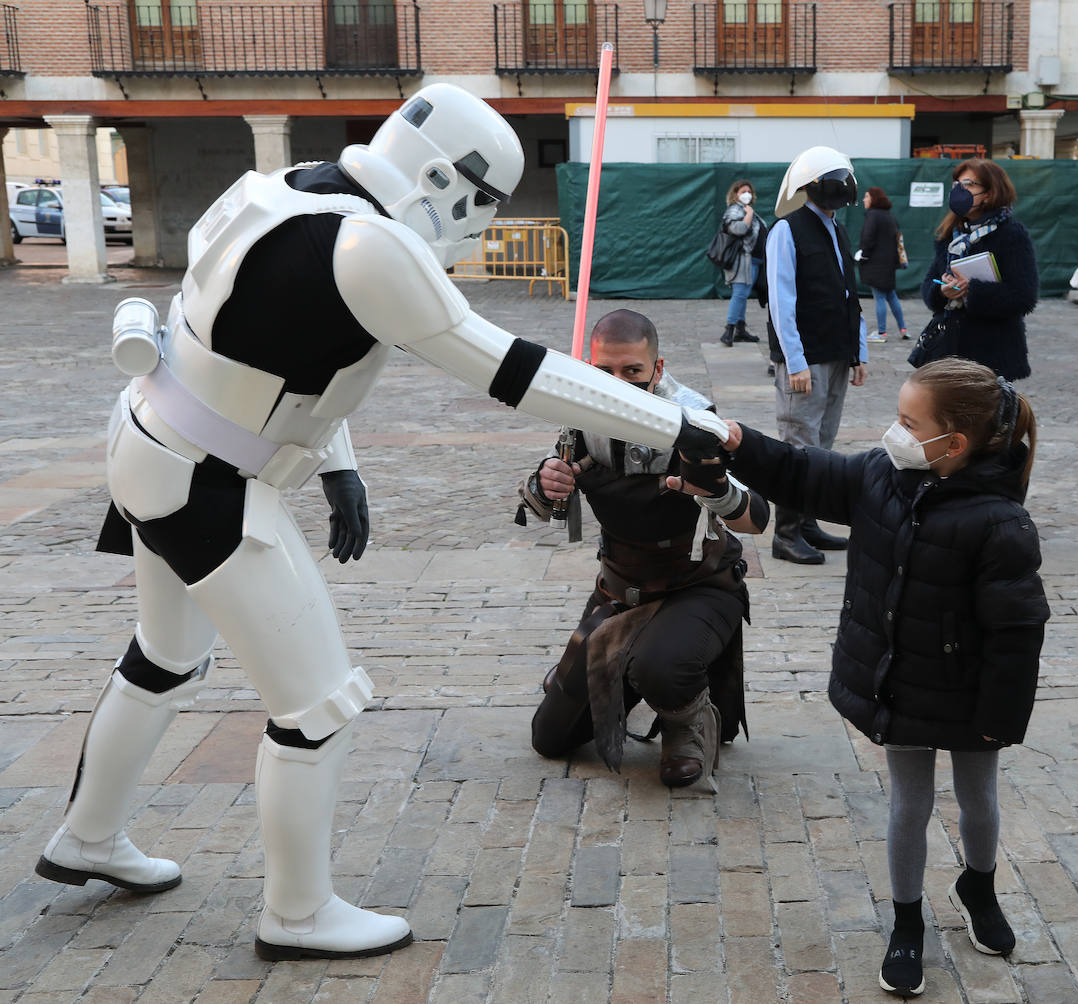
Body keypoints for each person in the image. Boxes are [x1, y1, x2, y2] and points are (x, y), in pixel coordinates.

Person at [33, 84, 730, 962]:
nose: (479, 228)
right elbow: (507, 369)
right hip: (205, 479)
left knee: (164, 658)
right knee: (315, 704)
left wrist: (339, 461)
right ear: (448, 182)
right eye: (483, 207)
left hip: (148, 441)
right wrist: (678, 424)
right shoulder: (372, 245)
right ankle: (297, 912)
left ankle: (87, 838)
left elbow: (279, 339)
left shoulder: (293, 184)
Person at [679, 358, 1048, 998]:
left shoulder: (1000, 524)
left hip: (970, 697)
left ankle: (978, 886)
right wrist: (738, 441)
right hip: (898, 681)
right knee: (909, 804)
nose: (894, 433)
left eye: (909, 422)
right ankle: (907, 921)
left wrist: (999, 720)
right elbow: (806, 473)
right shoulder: (884, 475)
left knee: (978, 800)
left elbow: (1018, 634)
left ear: (953, 444)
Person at [519, 309, 767, 791]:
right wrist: (545, 481)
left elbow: (756, 518)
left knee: (660, 665)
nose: (619, 383)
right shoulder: (579, 418)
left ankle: (686, 720)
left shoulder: (696, 421)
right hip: (620, 589)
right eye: (604, 371)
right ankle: (604, 669)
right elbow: (545, 507)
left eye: (632, 371)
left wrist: (714, 488)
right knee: (550, 738)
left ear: (656, 368)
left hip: (699, 586)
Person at [764, 144, 869, 565]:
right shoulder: (786, 231)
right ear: (811, 187)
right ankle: (786, 534)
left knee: (821, 447)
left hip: (837, 353)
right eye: (834, 180)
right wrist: (794, 360)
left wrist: (858, 351)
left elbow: (849, 294)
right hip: (806, 359)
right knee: (799, 447)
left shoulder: (837, 228)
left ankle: (807, 524)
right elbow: (781, 301)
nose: (842, 187)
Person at [909, 158, 1038, 382]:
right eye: (957, 185)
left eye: (968, 184)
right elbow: (930, 282)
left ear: (989, 192)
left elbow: (1024, 296)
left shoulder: (1011, 234)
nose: (960, 191)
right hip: (949, 348)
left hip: (992, 351)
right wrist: (942, 291)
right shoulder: (950, 234)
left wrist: (973, 291)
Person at [857, 185, 907, 343]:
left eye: (866, 196)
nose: (864, 199)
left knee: (879, 296)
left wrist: (863, 255)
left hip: (875, 265)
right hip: (889, 264)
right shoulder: (889, 215)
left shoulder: (872, 216)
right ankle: (903, 329)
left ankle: (881, 332)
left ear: (873, 199)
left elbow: (868, 238)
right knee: (891, 295)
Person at [718, 178, 764, 347]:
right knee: (739, 294)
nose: (747, 194)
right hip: (741, 261)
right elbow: (737, 229)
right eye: (743, 191)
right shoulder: (735, 210)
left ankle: (740, 329)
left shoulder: (747, 209)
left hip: (752, 260)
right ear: (735, 194)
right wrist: (749, 215)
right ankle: (728, 330)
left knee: (742, 295)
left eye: (749, 192)